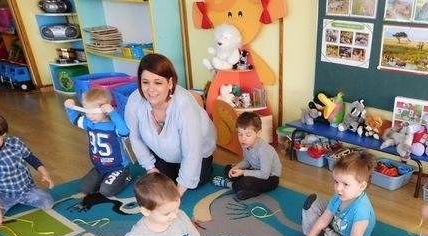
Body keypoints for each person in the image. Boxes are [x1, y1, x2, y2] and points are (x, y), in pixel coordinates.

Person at [125, 53, 216, 196]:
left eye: (158, 82)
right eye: (145, 82)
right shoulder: (135, 100)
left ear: (170, 83)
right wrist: (149, 167)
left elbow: (192, 151)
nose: (151, 89)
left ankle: (207, 165)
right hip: (163, 149)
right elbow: (135, 136)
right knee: (162, 182)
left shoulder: (184, 106)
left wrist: (178, 193)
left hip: (197, 149)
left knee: (193, 184)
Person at [295, 151, 376, 236]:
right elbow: (324, 219)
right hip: (335, 224)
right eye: (336, 182)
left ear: (362, 186)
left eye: (345, 184)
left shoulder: (361, 210)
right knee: (313, 202)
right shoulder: (339, 196)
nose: (338, 188)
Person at [0, 108, 54, 233]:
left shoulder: (16, 143)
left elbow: (31, 158)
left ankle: (19, 200)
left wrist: (45, 172)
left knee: (48, 202)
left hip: (26, 189)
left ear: (3, 134)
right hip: (2, 194)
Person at [64, 87, 131, 197]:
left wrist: (113, 113)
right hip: (100, 167)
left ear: (105, 110)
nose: (90, 116)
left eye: (93, 112)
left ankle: (126, 176)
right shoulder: (89, 123)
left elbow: (125, 132)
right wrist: (69, 107)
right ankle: (105, 178)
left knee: (106, 191)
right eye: (87, 112)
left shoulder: (113, 125)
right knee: (84, 187)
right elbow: (75, 119)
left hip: (117, 167)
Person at [211, 111, 281, 200]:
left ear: (258, 134)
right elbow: (248, 161)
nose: (243, 138)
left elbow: (264, 175)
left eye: (248, 135)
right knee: (228, 169)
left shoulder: (264, 150)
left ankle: (230, 185)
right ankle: (250, 190)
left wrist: (243, 172)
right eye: (240, 134)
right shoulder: (246, 144)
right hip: (255, 171)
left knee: (247, 182)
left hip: (270, 179)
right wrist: (237, 167)